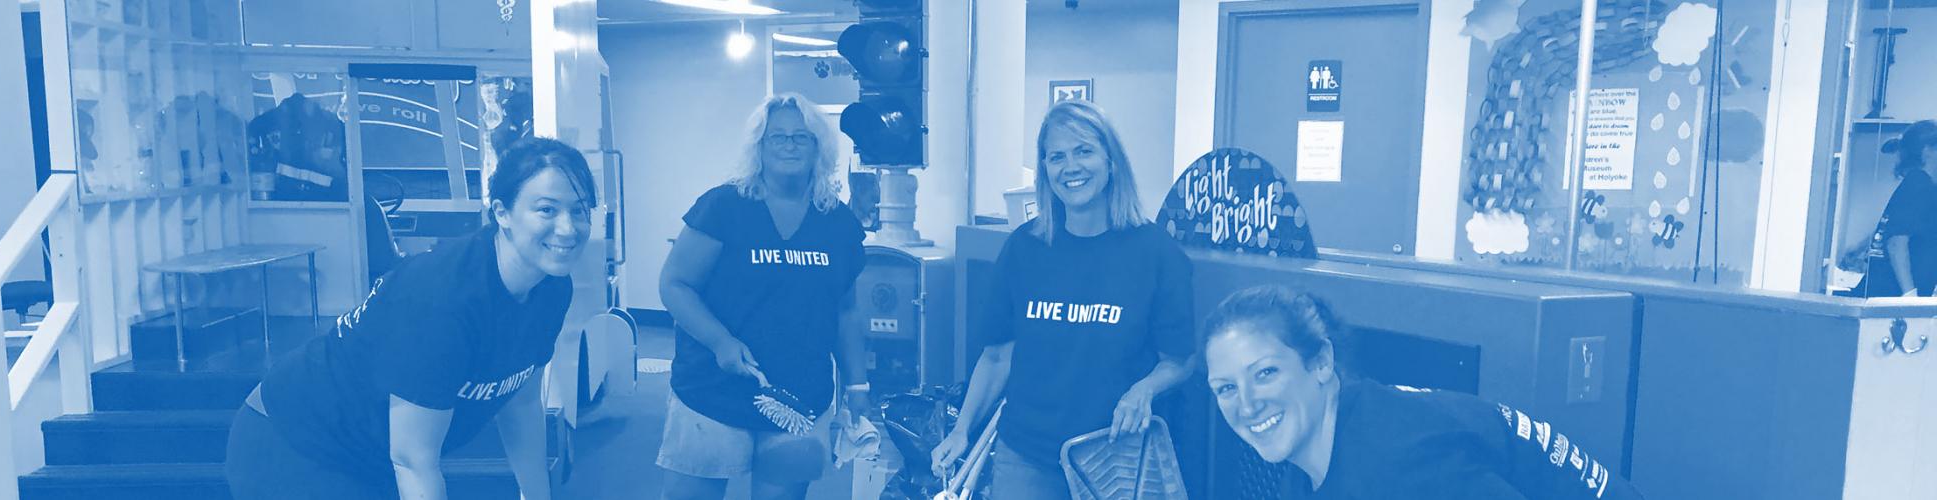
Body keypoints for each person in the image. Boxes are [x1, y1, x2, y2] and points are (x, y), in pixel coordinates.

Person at [224, 137, 596, 500]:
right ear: (502, 213)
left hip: (370, 456)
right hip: (292, 442)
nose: (567, 228)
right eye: (547, 209)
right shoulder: (443, 298)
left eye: (579, 210)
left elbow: (520, 403)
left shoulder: (551, 287)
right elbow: (413, 460)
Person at [931, 100, 1196, 498]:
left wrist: (1143, 390)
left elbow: (1180, 360)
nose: (1070, 166)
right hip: (1026, 456)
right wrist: (961, 429)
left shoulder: (1156, 253)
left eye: (1084, 151)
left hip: (1116, 459)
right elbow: (997, 356)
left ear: (1111, 160)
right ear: (1045, 171)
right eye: (1057, 156)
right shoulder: (1026, 247)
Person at [1201, 285, 1644, 499]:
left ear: (1321, 363)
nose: (1247, 404)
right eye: (1225, 388)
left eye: (1265, 373)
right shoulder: (1308, 464)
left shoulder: (1401, 461)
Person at [655, 93, 870, 500]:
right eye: (778, 137)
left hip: (797, 394)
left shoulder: (838, 223)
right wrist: (721, 342)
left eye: (801, 137)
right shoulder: (723, 206)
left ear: (818, 148)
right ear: (760, 146)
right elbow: (674, 285)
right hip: (711, 391)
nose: (789, 146)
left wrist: (857, 384)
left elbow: (846, 310)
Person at [1862, 120, 1937, 297]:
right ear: (1928, 150)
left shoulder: (1918, 185)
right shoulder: (1920, 184)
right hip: (1892, 298)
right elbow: (1897, 243)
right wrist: (1909, 297)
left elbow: (1896, 229)